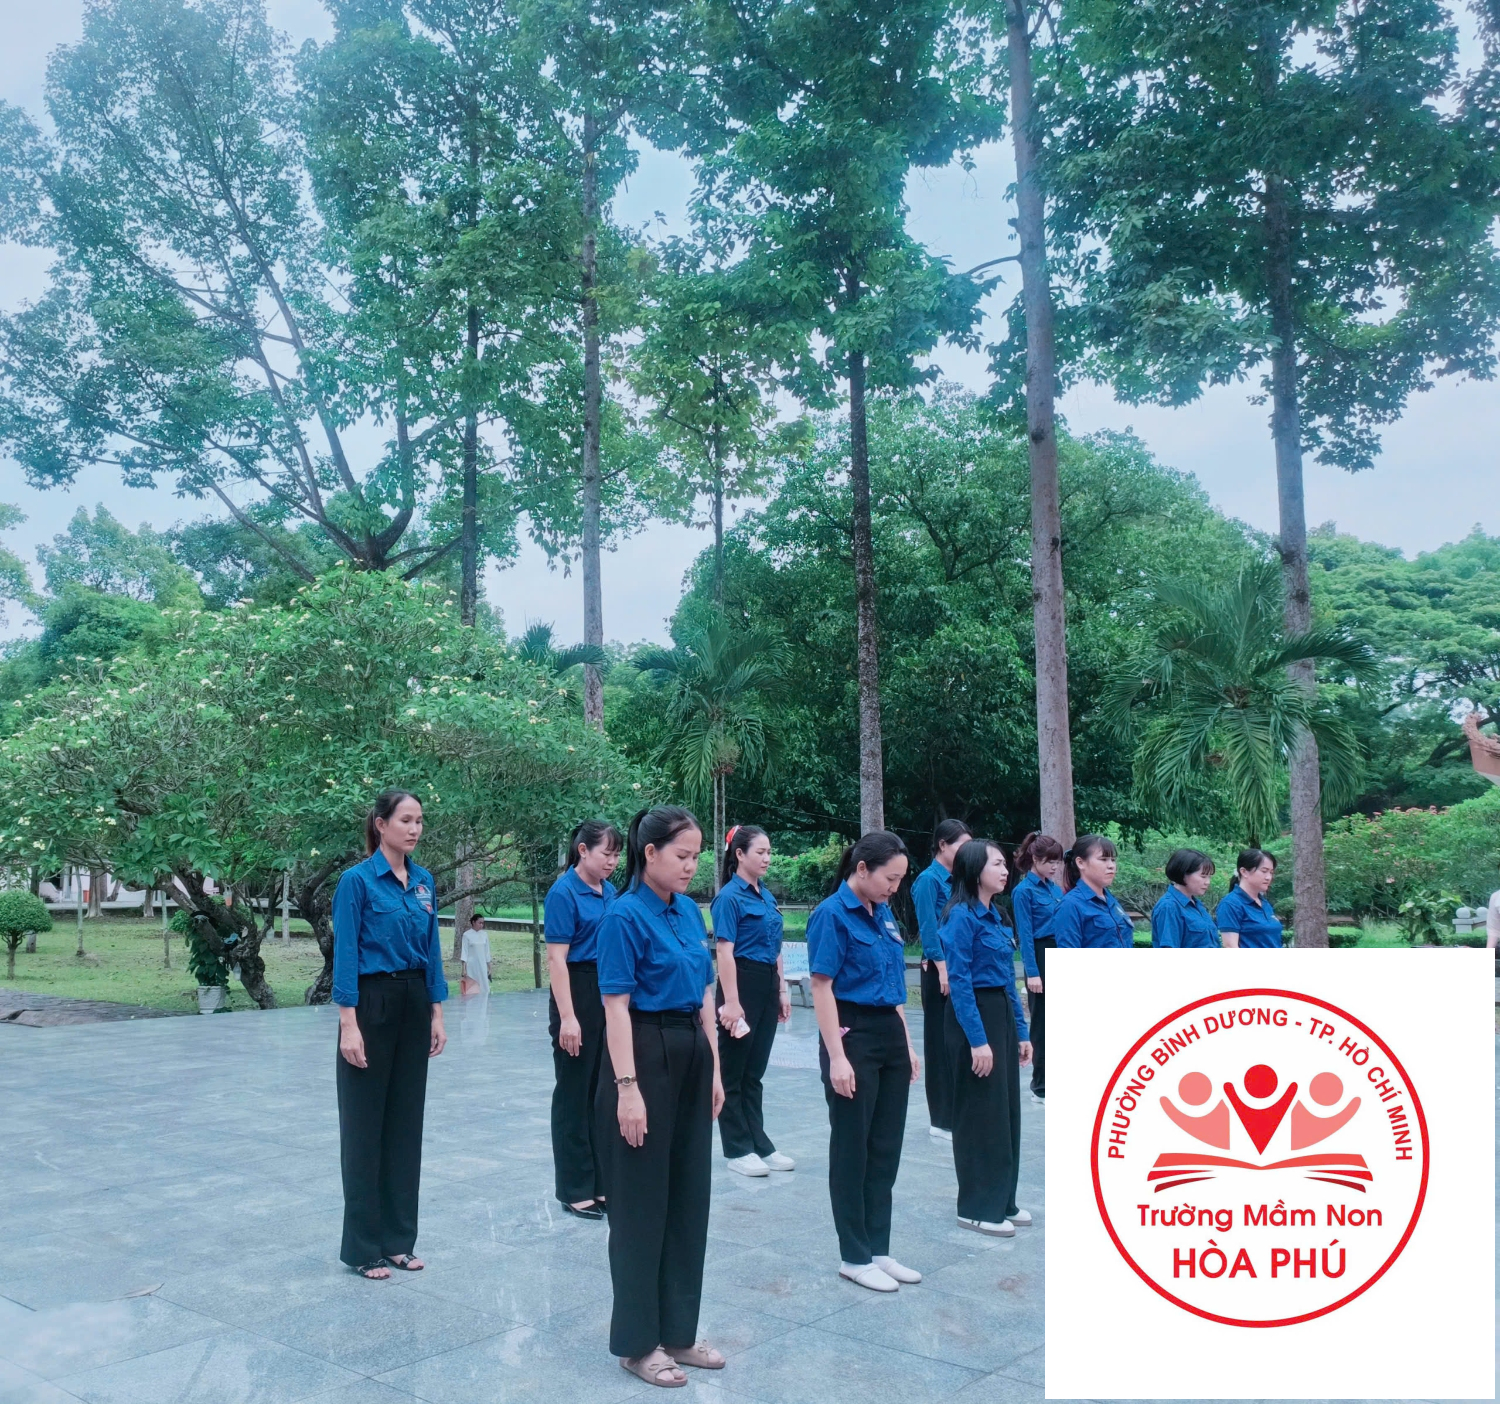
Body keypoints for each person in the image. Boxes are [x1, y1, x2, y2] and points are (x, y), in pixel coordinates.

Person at [596, 807, 725, 1388]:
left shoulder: (688, 912)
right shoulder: (623, 916)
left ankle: (678, 1331)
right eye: (681, 855)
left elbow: (705, 996)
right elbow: (616, 1008)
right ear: (649, 853)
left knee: (688, 1199)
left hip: (692, 1052)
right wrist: (628, 1089)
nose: (691, 866)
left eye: (696, 856)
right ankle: (637, 1343)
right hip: (644, 1055)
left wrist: (714, 1069)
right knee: (641, 1206)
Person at [331, 788, 448, 1281]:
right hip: (371, 1003)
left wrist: (437, 1013)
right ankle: (363, 1247)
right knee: (364, 1129)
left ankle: (399, 1240)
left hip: (414, 1002)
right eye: (405, 820)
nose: (415, 829)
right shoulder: (356, 882)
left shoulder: (423, 882)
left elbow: (432, 949)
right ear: (381, 824)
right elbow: (346, 954)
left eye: (419, 820)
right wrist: (349, 1024)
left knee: (405, 1126)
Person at [807, 831, 922, 1294]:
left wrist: (906, 1044)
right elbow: (821, 986)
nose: (894, 887)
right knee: (852, 1147)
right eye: (889, 878)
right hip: (851, 1033)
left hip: (889, 1031)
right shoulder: (832, 914)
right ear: (861, 869)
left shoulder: (883, 912)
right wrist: (836, 1056)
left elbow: (894, 986)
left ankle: (878, 1248)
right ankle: (854, 1256)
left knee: (885, 1146)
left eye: (899, 879)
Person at [940, 838, 1034, 1237]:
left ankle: (1002, 1199)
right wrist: (978, 1040)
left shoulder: (998, 916)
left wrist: (1022, 1031)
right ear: (974, 868)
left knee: (1005, 1112)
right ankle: (975, 1206)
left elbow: (1008, 980)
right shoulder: (960, 917)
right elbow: (960, 981)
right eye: (996, 863)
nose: (1005, 870)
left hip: (1000, 1014)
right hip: (972, 1017)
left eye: (1004, 864)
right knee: (979, 1114)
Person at [544, 819, 623, 1220]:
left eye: (616, 855)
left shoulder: (610, 892)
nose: (612, 861)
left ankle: (600, 1181)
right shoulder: (564, 892)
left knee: (601, 1091)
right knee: (574, 1093)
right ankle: (574, 1187)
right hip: (576, 988)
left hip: (607, 988)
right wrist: (568, 1018)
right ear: (583, 851)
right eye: (606, 853)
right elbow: (557, 958)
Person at [711, 825, 794, 1177]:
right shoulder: (729, 898)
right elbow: (724, 951)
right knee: (733, 1071)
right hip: (740, 983)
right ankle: (738, 1148)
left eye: (769, 852)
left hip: (766, 982)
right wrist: (731, 1001)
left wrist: (782, 990)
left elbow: (776, 948)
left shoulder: (766, 897)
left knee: (754, 1072)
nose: (767, 858)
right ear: (739, 854)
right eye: (760, 852)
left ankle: (759, 1143)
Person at [910, 819, 971, 1142]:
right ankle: (940, 1119)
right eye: (961, 845)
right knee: (937, 1042)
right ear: (943, 845)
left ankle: (957, 1113)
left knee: (957, 1041)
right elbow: (929, 929)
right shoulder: (928, 881)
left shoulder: (960, 880)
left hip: (958, 966)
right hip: (938, 969)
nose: (966, 852)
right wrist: (942, 969)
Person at [1011, 832, 1065, 1104]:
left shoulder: (1055, 889)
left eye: (1057, 862)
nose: (1055, 867)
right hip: (1040, 955)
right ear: (1035, 859)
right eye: (1049, 861)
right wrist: (1032, 973)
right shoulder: (1023, 891)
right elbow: (1026, 935)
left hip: (1060, 951)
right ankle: (1041, 1085)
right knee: (1042, 1023)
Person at [1052, 834, 1136, 949]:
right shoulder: (1070, 905)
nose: (1111, 866)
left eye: (1113, 860)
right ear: (1080, 863)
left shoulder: (1110, 900)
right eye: (1103, 859)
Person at [1150, 850, 1221, 948]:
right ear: (1183, 874)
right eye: (1203, 876)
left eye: (1209, 877)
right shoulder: (1169, 907)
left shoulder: (1197, 905)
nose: (1207, 882)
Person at [1216, 848, 1284, 948]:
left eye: (1271, 872)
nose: (1269, 877)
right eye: (1264, 871)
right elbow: (1230, 946)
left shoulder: (1265, 903)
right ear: (1244, 872)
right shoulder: (1231, 904)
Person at [459, 911, 491, 997]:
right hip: (471, 965)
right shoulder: (467, 935)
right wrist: (464, 969)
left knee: (484, 986)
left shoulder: (484, 934)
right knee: (472, 988)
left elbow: (487, 952)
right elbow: (464, 952)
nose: (481, 925)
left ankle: (484, 1003)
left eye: (482, 923)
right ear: (473, 922)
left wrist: (489, 967)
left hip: (482, 964)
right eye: (479, 923)